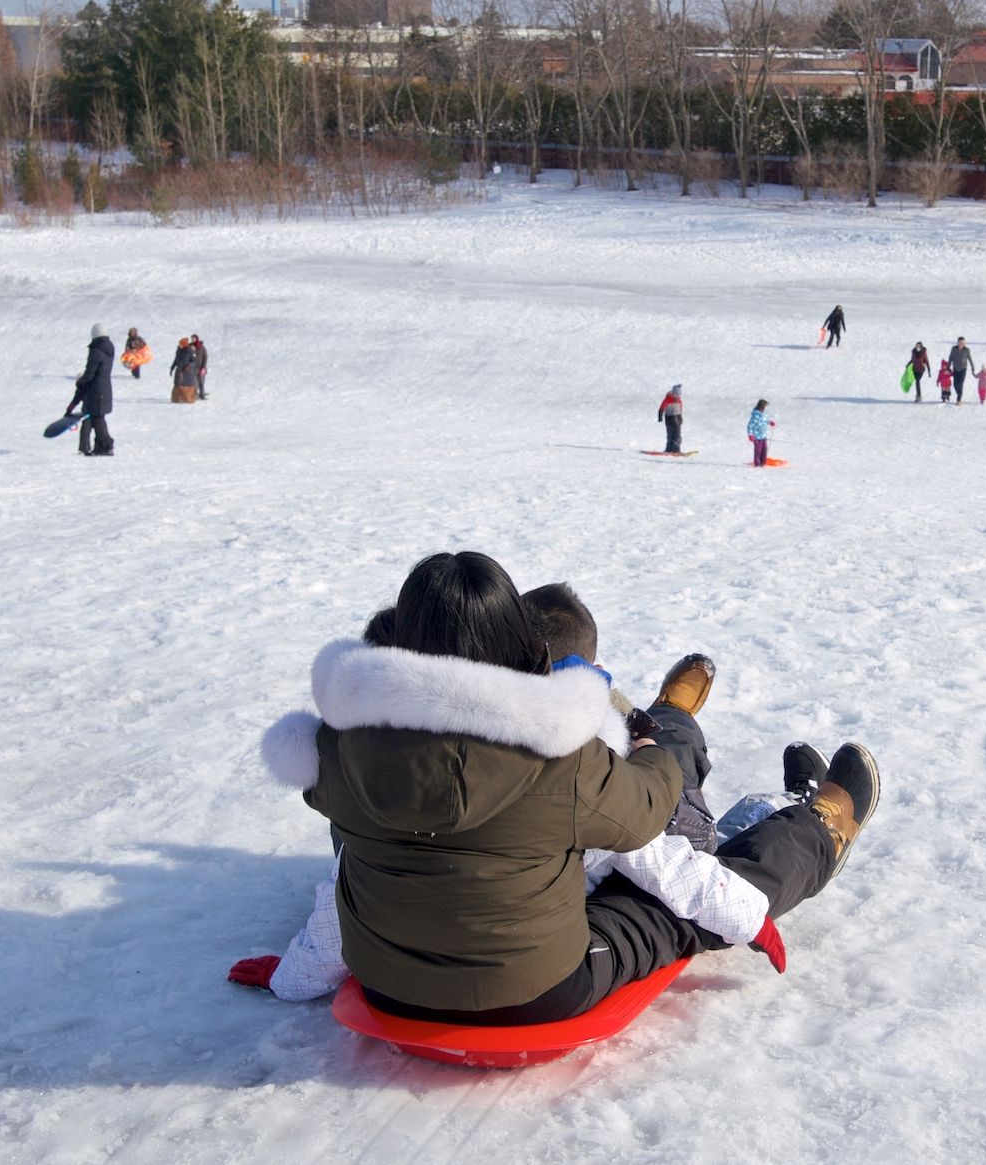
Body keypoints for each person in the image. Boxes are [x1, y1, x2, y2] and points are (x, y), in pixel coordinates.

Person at [263, 551, 880, 1025]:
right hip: (536, 992)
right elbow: (647, 825)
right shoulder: (554, 754)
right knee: (672, 899)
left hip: (388, 989)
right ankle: (817, 831)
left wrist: (294, 976)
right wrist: (749, 914)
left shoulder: (335, 748)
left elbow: (346, 879)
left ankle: (675, 725)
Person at [68, 324, 115, 457]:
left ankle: (107, 444)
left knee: (97, 420)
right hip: (105, 390)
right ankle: (101, 446)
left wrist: (80, 382)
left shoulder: (96, 350)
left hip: (95, 390)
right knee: (99, 418)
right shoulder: (109, 347)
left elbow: (90, 374)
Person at [658, 384, 685, 455]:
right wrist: (660, 417)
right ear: (673, 393)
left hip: (678, 421)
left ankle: (676, 449)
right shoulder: (667, 400)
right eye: (676, 394)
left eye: (679, 395)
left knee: (677, 436)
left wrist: (680, 418)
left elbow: (680, 410)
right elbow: (661, 408)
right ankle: (669, 449)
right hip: (670, 420)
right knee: (670, 435)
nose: (677, 396)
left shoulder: (679, 401)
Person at [746, 399, 775, 467]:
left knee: (764, 449)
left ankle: (763, 462)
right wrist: (750, 435)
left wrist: (770, 422)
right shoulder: (756, 415)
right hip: (756, 436)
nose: (765, 408)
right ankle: (757, 464)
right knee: (758, 450)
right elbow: (750, 425)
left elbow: (766, 420)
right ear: (761, 406)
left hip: (763, 435)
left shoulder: (764, 413)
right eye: (765, 406)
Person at [170, 338, 199, 404]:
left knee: (186, 385)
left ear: (184, 344)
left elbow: (194, 361)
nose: (180, 345)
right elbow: (176, 359)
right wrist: (172, 367)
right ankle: (177, 398)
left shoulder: (189, 350)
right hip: (179, 371)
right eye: (179, 344)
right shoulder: (179, 350)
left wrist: (189, 366)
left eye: (181, 344)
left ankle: (188, 398)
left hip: (187, 372)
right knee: (178, 384)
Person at [948, 337, 974, 404]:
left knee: (960, 384)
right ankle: (959, 393)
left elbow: (970, 359)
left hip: (963, 369)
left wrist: (972, 367)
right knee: (955, 384)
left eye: (962, 343)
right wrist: (948, 366)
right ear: (958, 343)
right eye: (960, 343)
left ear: (964, 343)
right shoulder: (954, 349)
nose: (961, 344)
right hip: (955, 368)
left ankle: (959, 399)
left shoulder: (966, 350)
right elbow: (950, 358)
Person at [191, 335, 210, 400]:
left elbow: (205, 357)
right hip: (193, 368)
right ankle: (195, 395)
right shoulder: (190, 346)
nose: (193, 340)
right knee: (194, 383)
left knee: (201, 382)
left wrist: (203, 367)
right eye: (192, 339)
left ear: (197, 339)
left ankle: (202, 395)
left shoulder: (201, 347)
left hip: (201, 368)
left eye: (194, 338)